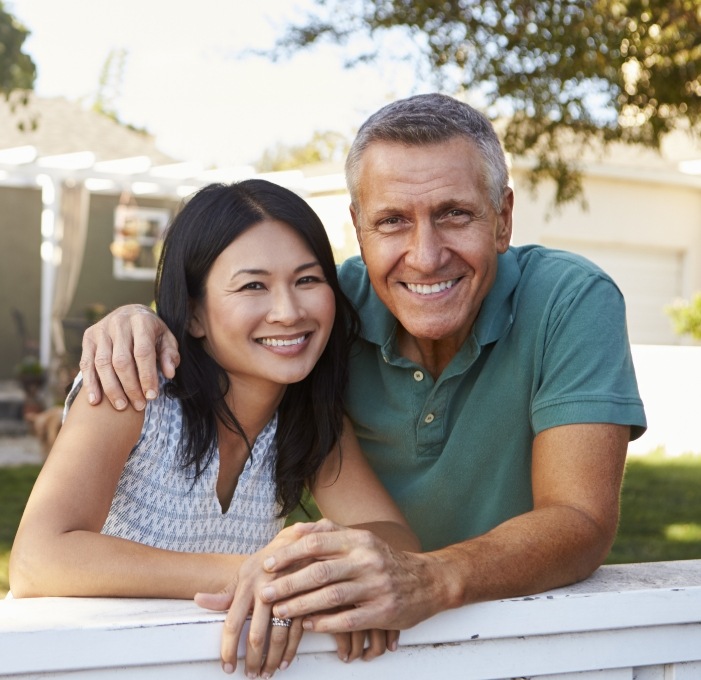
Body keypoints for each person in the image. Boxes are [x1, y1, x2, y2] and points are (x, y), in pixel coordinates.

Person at [77, 94, 646, 639]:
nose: (425, 256)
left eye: (453, 214)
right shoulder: (327, 310)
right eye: (393, 220)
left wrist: (426, 579)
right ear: (358, 228)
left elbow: (579, 519)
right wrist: (141, 319)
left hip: (519, 630)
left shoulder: (570, 301)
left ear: (502, 218)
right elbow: (227, 315)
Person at [10, 179, 420, 676]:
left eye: (308, 280)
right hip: (83, 663)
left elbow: (397, 541)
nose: (288, 311)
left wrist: (312, 560)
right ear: (196, 313)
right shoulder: (135, 389)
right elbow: (37, 559)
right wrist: (262, 572)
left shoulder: (310, 421)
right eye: (253, 286)